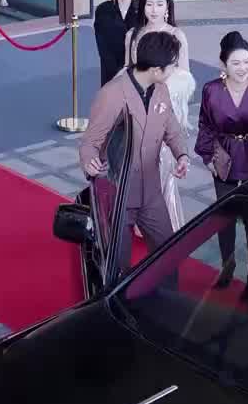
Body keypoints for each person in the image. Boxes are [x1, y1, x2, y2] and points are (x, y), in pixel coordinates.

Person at [79, 29, 188, 264]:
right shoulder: (112, 94)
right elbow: (91, 141)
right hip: (120, 192)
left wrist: (182, 155)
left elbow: (172, 127)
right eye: (172, 65)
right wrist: (90, 161)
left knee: (168, 253)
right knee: (118, 263)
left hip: (151, 191)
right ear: (156, 70)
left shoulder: (161, 90)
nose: (175, 70)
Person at [195, 32, 248, 285]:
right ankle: (227, 266)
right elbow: (205, 124)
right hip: (224, 156)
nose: (243, 68)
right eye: (236, 63)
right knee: (224, 216)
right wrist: (207, 155)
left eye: (247, 62)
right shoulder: (211, 90)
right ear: (224, 65)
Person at [125, 0, 195, 231]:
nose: (153, 9)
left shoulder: (177, 36)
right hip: (138, 110)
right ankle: (140, 222)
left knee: (163, 168)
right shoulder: (133, 35)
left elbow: (185, 78)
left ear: (167, 7)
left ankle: (167, 224)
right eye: (149, 4)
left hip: (165, 111)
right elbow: (127, 71)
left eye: (159, 4)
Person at [93, 0, 140, 86]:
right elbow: (102, 45)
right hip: (110, 70)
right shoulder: (103, 10)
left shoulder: (143, 9)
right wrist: (117, 72)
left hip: (138, 70)